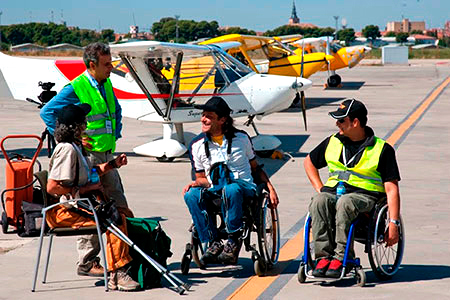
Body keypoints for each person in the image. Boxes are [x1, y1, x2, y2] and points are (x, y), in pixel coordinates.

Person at [40, 42, 130, 277]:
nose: (111, 68)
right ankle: (88, 262)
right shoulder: (77, 87)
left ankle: (124, 257)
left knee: (119, 205)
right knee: (93, 208)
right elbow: (47, 112)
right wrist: (72, 139)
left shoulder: (105, 82)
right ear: (92, 65)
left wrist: (116, 131)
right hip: (89, 158)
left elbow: (115, 110)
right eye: (107, 64)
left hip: (107, 154)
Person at [45, 103, 139, 291]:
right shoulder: (67, 150)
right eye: (83, 121)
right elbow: (52, 186)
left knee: (124, 213)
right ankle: (118, 273)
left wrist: (112, 165)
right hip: (66, 211)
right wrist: (86, 188)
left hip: (80, 205)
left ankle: (127, 264)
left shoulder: (77, 146)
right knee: (114, 220)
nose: (86, 124)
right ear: (76, 126)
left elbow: (90, 171)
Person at [304, 98, 401, 278]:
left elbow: (392, 189)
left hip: (365, 197)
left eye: (341, 120)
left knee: (346, 202)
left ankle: (343, 258)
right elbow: (309, 161)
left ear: (355, 122)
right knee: (319, 201)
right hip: (335, 192)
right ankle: (323, 257)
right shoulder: (333, 142)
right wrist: (320, 188)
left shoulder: (382, 149)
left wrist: (393, 223)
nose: (337, 124)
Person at [182, 96, 279, 265]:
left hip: (243, 187)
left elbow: (255, 168)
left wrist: (270, 188)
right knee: (191, 195)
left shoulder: (242, 139)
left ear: (222, 120)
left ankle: (234, 239)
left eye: (209, 116)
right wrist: (197, 184)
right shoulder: (196, 145)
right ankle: (213, 242)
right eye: (203, 115)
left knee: (232, 189)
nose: (203, 119)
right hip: (215, 188)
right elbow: (202, 178)